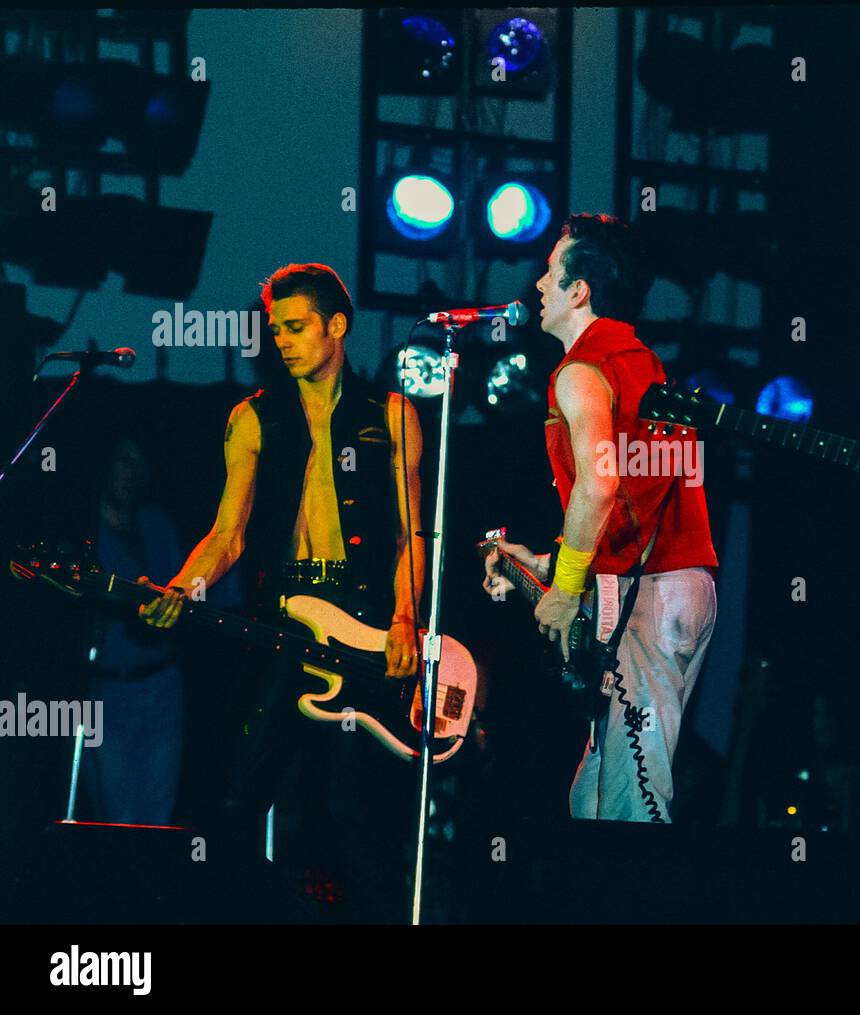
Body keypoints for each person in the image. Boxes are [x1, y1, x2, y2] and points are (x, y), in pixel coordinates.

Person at [139, 263, 423, 922]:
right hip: (284, 621)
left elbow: (414, 533)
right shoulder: (253, 417)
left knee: (351, 809)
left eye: (296, 328)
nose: (283, 341)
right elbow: (227, 534)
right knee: (235, 801)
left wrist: (406, 617)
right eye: (276, 330)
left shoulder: (391, 413)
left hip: (367, 631)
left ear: (337, 326)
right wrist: (185, 586)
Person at [482, 213, 719, 822]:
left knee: (632, 804)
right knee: (594, 797)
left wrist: (563, 589)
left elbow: (600, 484)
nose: (537, 285)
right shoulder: (643, 363)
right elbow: (631, 498)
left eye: (549, 272)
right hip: (682, 588)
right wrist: (547, 561)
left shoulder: (582, 371)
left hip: (650, 600)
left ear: (579, 289)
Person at [84, 432, 185, 826]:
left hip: (163, 684)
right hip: (107, 690)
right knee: (118, 811)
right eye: (124, 462)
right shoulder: (86, 534)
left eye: (139, 465)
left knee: (159, 813)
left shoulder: (158, 526)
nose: (132, 474)